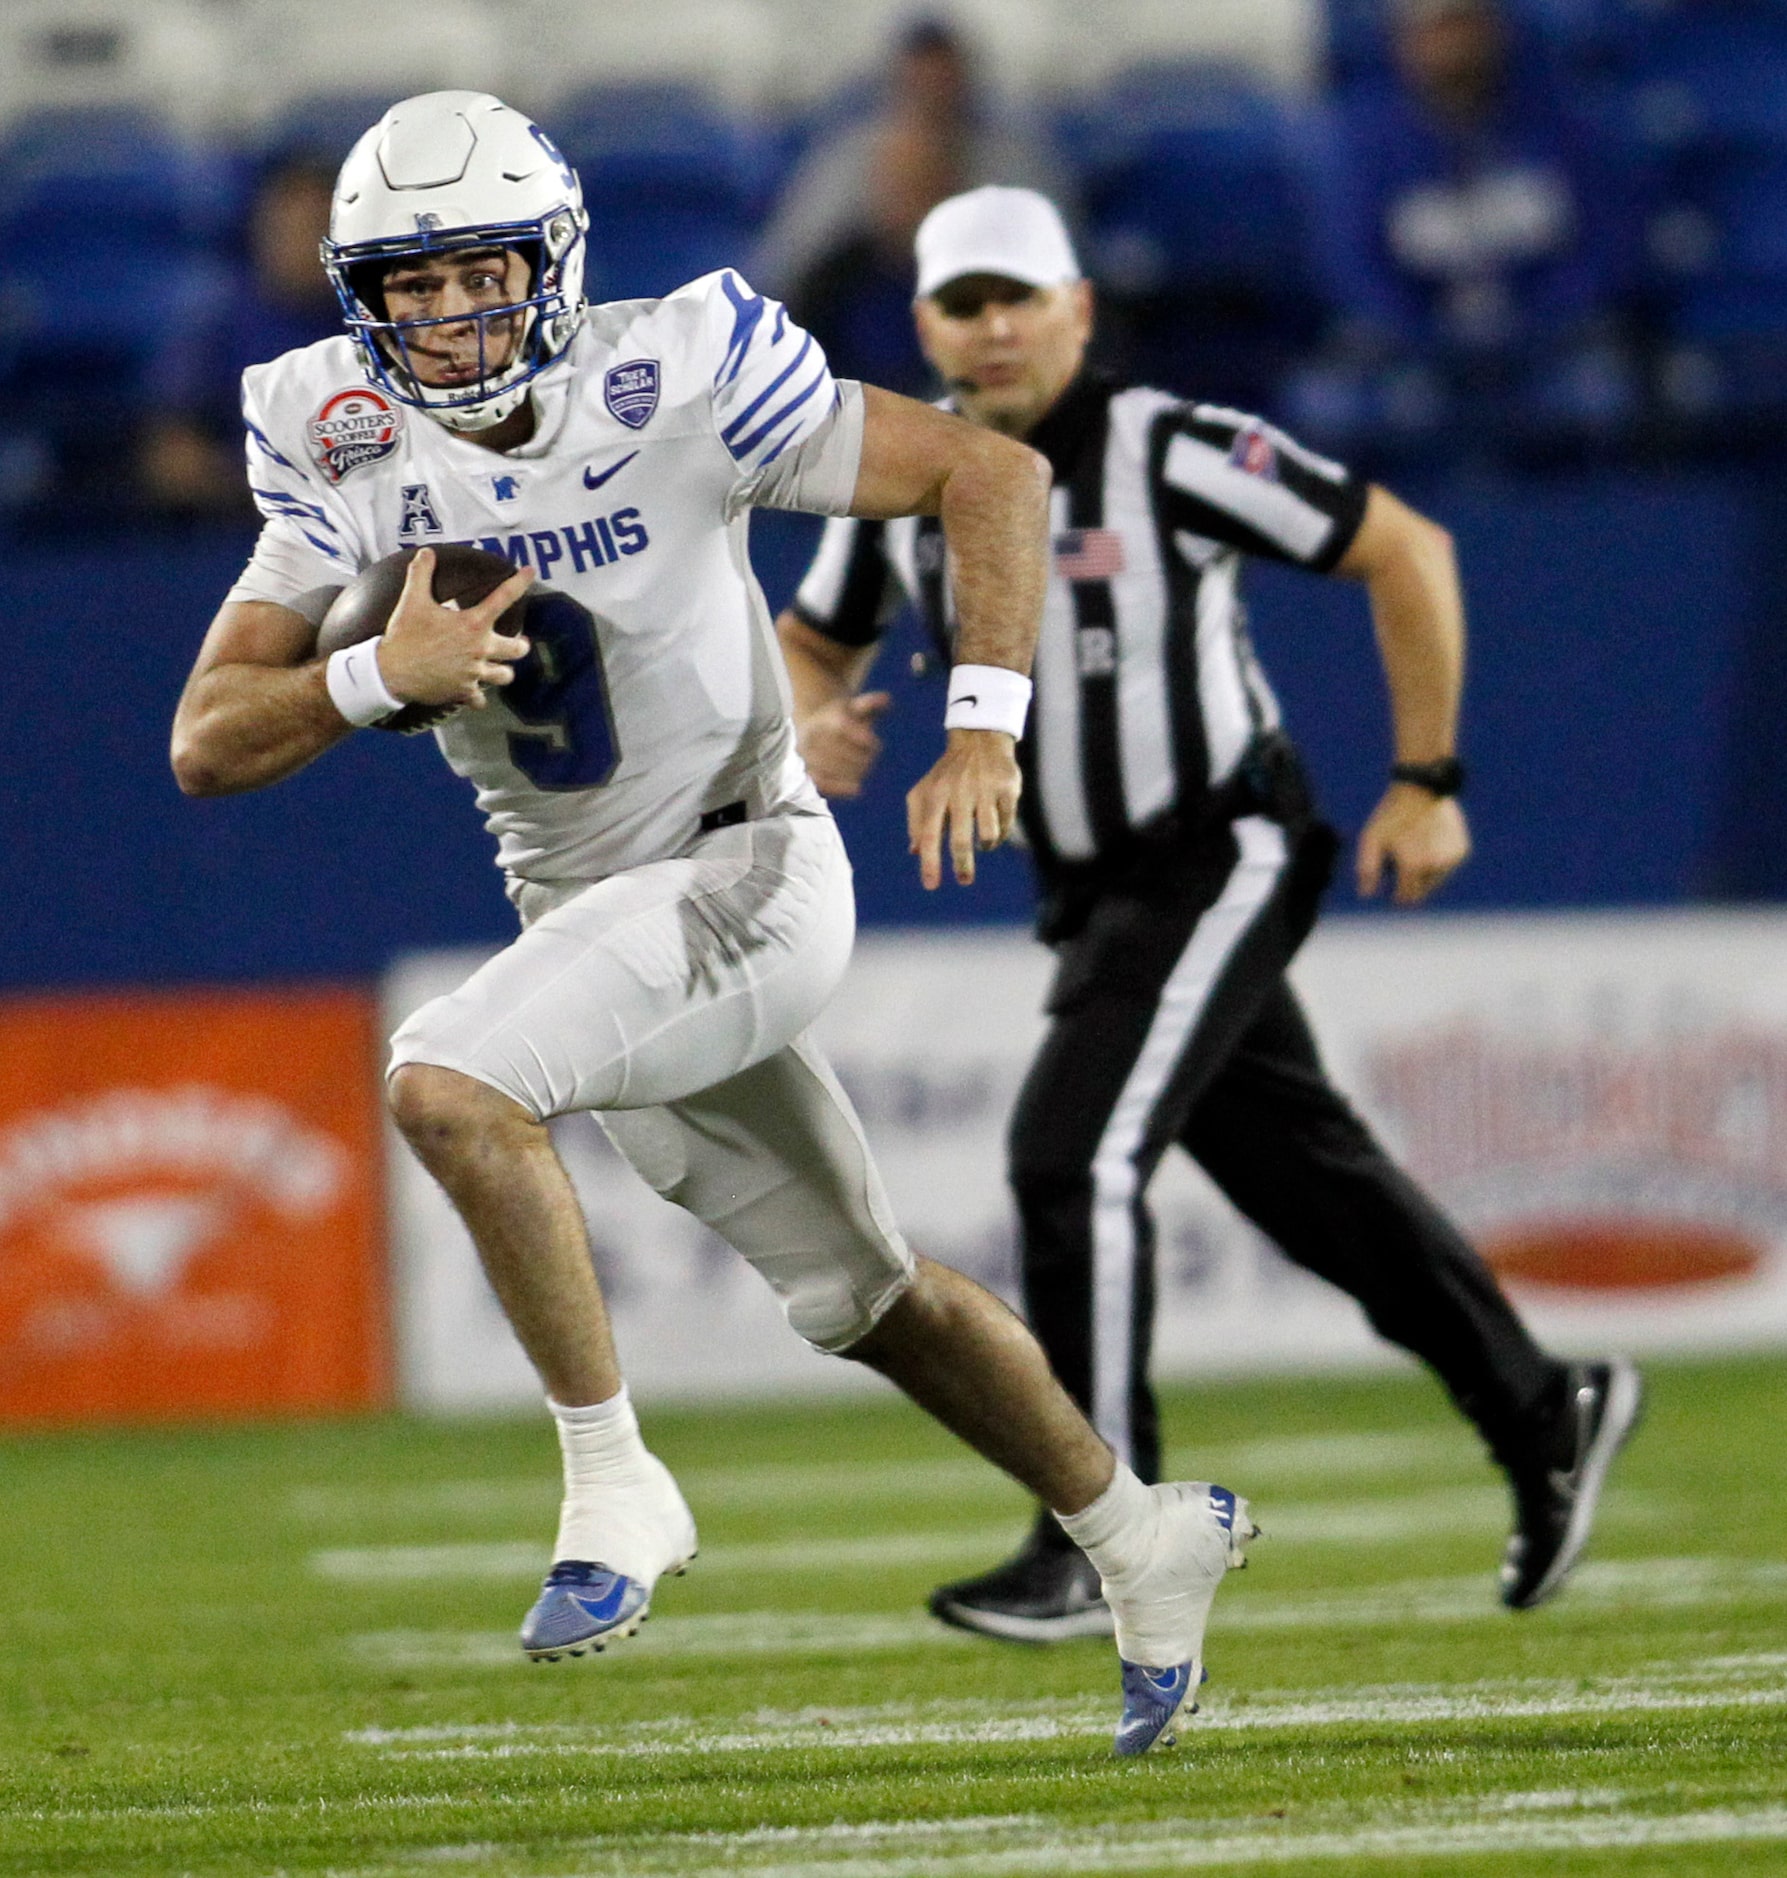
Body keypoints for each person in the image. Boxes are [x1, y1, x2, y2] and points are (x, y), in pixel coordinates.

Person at [169, 92, 1255, 1759]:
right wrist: (375, 668)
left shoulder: (678, 369)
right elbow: (207, 739)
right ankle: (1136, 1536)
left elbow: (991, 468)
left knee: (450, 1081)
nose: (447, 319)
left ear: (551, 263)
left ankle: (615, 1481)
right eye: (409, 286)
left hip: (750, 866)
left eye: (478, 275)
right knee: (867, 1292)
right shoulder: (342, 437)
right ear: (356, 295)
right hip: (599, 917)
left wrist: (983, 720)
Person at [776, 184, 1642, 1643]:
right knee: (1309, 1179)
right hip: (1091, 889)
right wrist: (811, 721)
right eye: (961, 305)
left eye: (1016, 299)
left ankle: (1101, 1526)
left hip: (1218, 842)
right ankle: (1537, 1404)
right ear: (922, 323)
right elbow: (808, 636)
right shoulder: (910, 468)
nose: (991, 329)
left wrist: (1425, 775)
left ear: (1077, 309)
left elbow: (1403, 546)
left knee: (1068, 1158)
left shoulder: (1164, 443)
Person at [139, 151, 342, 515]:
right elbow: (174, 459)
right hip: (241, 525)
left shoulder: (381, 321)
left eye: (314, 228)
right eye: (284, 230)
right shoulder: (217, 325)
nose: (299, 246)